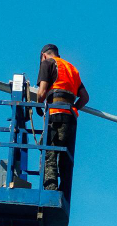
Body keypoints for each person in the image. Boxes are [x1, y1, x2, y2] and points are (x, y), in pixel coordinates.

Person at [32, 44, 89, 196]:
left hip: (55, 115)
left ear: (43, 55)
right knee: (66, 159)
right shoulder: (72, 69)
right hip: (70, 119)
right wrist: (73, 108)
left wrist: (38, 106)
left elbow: (42, 92)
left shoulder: (47, 63)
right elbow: (85, 97)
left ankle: (50, 193)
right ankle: (64, 196)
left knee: (49, 154)